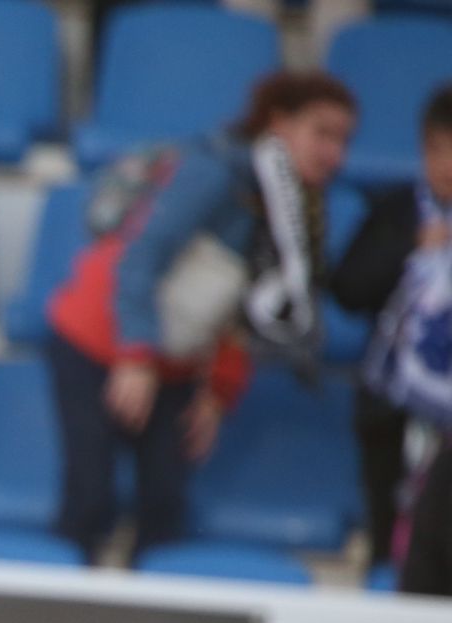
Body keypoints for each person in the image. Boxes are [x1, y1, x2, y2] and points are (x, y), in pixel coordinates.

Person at [46, 71, 357, 563]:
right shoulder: (216, 171)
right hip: (99, 344)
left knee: (166, 511)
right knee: (89, 500)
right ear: (278, 123)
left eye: (343, 141)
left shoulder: (295, 210)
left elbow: (246, 311)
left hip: (175, 362)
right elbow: (142, 255)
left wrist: (218, 393)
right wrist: (135, 355)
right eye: (322, 133)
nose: (333, 154)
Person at [330, 84, 452, 572]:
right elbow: (348, 289)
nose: (446, 165)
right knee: (392, 532)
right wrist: (409, 247)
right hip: (390, 408)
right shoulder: (398, 211)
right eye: (435, 150)